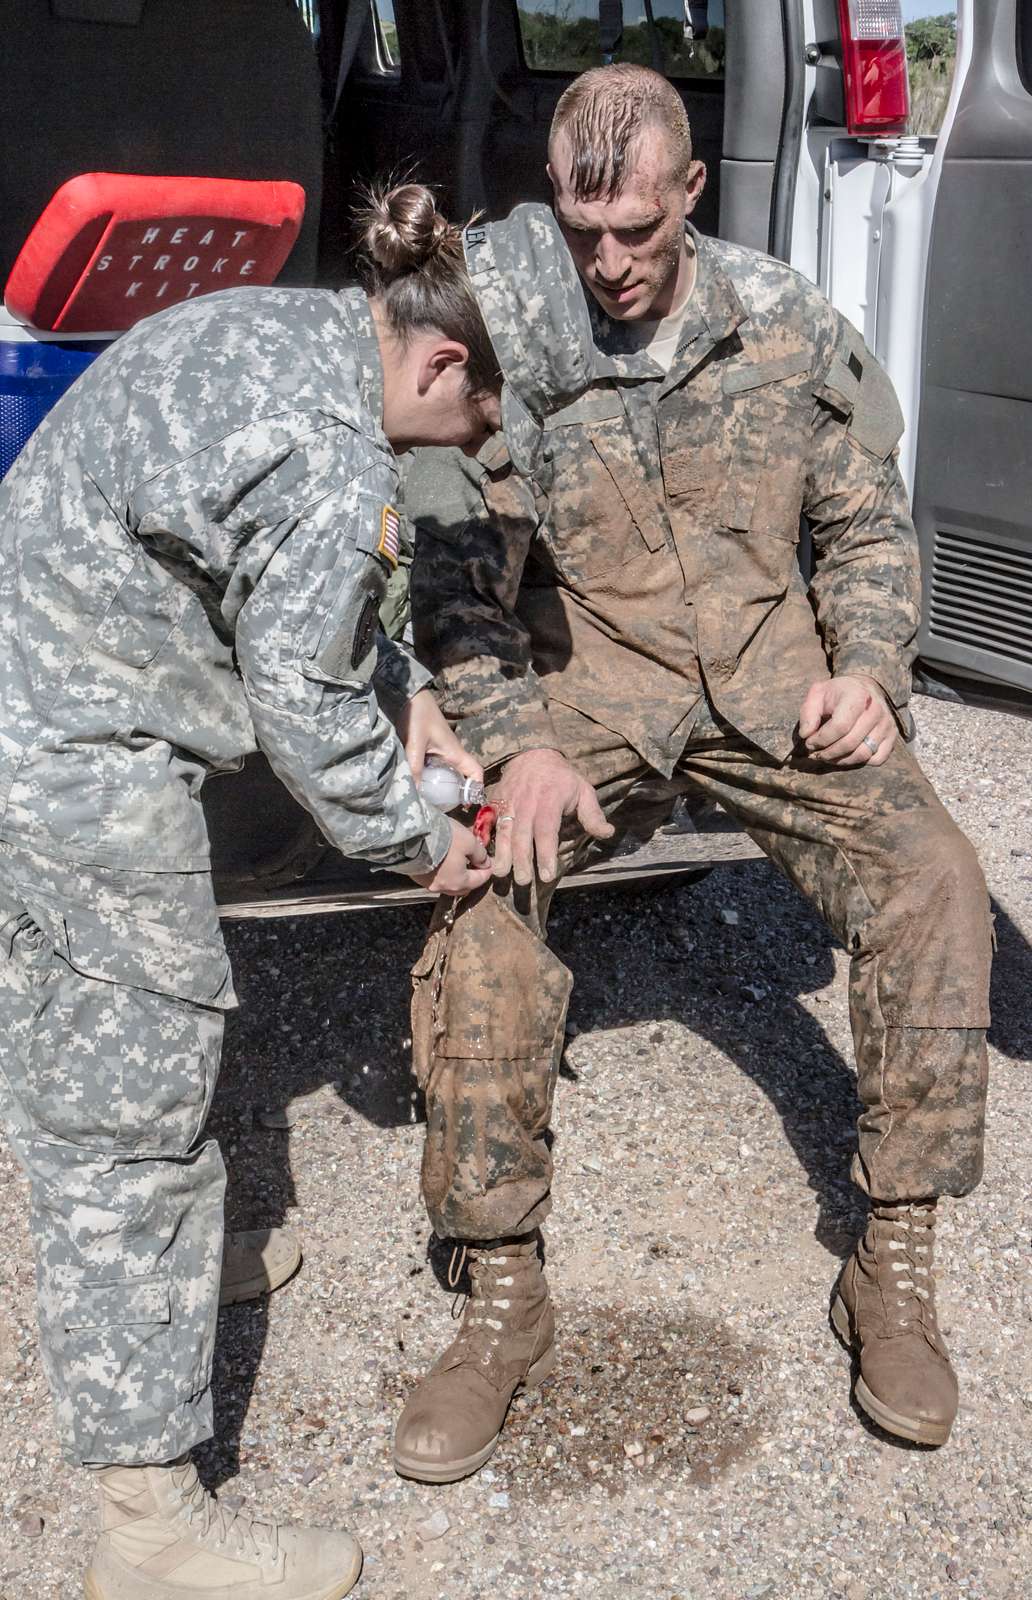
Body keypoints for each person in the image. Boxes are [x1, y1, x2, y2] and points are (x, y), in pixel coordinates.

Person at [0, 183, 601, 1600]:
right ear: (444, 364)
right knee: (128, 1096)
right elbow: (309, 718)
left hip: (47, 681)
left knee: (117, 1069)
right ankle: (147, 1535)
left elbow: (290, 608)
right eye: (492, 417)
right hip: (73, 748)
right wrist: (420, 838)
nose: (487, 448)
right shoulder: (336, 453)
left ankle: (153, 1271)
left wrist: (413, 709)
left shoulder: (293, 336)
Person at [394, 65, 993, 1484]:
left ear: (691, 199)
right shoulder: (509, 335)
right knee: (481, 896)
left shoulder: (781, 320)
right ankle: (501, 1292)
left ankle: (892, 1260)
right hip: (588, 681)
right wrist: (518, 745)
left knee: (935, 881)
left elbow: (866, 526)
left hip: (774, 676)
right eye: (582, 229)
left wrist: (872, 666)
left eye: (637, 235)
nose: (607, 264)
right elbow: (460, 589)